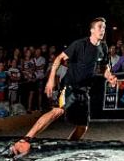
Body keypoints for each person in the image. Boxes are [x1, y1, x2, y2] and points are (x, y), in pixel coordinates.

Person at [10, 18, 117, 157]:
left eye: (104, 27)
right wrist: (50, 81)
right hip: (70, 86)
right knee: (57, 111)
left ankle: (67, 148)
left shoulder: (103, 47)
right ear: (92, 30)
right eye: (99, 27)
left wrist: (109, 76)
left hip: (84, 90)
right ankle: (25, 140)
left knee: (82, 127)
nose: (102, 30)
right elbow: (58, 58)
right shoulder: (79, 45)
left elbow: (104, 67)